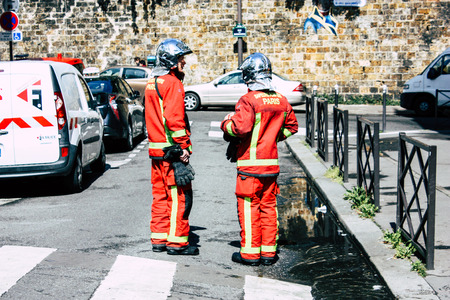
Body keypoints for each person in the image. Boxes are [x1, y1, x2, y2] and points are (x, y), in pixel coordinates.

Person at [221, 53, 298, 266]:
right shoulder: (281, 100)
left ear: (249, 76)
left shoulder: (248, 100)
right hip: (271, 166)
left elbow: (240, 128)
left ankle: (250, 254)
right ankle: (268, 253)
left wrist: (225, 123)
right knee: (268, 209)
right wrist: (272, 138)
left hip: (250, 167)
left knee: (249, 209)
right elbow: (292, 127)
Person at [145, 38, 198, 256]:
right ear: (171, 61)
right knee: (179, 197)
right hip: (172, 152)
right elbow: (175, 120)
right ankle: (177, 242)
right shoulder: (173, 83)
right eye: (181, 58)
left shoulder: (153, 82)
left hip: (156, 151)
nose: (183, 62)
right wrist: (183, 147)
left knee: (160, 196)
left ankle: (159, 238)